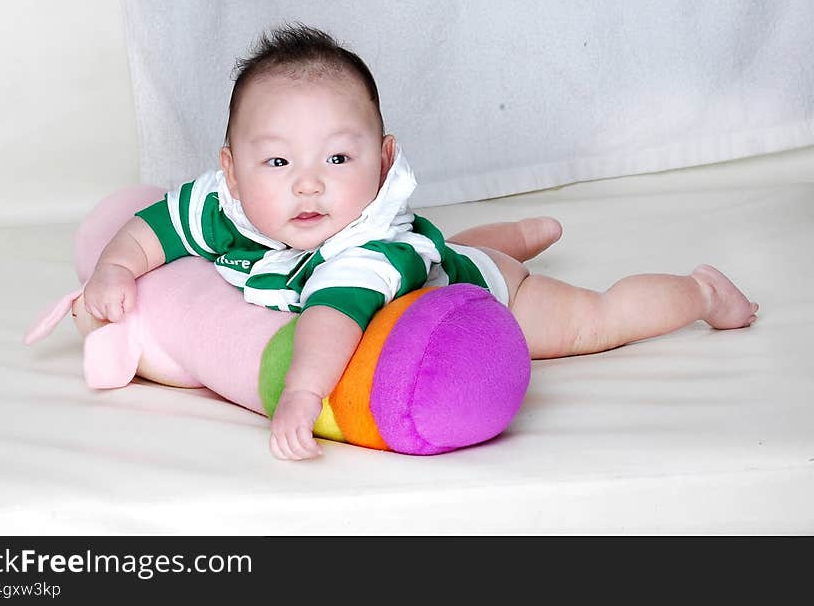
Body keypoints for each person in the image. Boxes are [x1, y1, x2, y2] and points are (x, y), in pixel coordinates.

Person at [77, 24, 758, 461]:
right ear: (231, 168)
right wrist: (115, 266)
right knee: (455, 243)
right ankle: (521, 234)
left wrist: (302, 394)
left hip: (474, 291)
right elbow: (157, 224)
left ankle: (698, 292)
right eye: (278, 163)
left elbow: (329, 320)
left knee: (591, 318)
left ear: (383, 158)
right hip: (439, 251)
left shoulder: (369, 250)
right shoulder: (224, 201)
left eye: (338, 160)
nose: (307, 187)